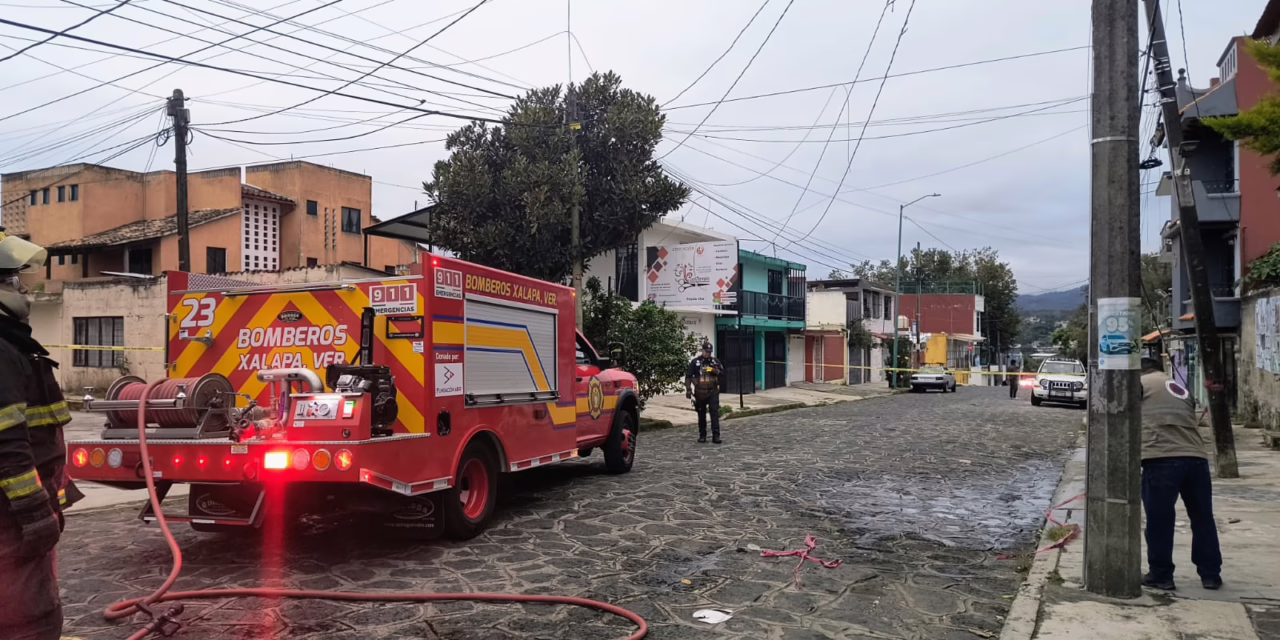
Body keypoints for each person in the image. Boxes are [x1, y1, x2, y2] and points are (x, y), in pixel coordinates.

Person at [0, 228, 82, 639]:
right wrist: (34, 514)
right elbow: (7, 442)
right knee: (27, 616)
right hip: (10, 517)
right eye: (10, 280)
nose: (20, 289)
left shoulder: (12, 344)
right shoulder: (1, 349)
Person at [1139, 356, 1223, 591]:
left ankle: (1161, 574)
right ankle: (1211, 575)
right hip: (1196, 458)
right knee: (1203, 518)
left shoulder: (1140, 384)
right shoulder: (1180, 388)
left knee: (1160, 520)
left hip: (1161, 457)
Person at [685, 341, 724, 444]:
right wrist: (688, 389)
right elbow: (688, 376)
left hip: (713, 392)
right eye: (706, 351)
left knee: (714, 414)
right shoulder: (695, 362)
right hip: (700, 392)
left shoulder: (715, 361)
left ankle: (716, 436)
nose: (708, 354)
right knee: (701, 414)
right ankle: (702, 435)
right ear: (702, 350)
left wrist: (716, 371)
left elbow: (723, 374)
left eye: (710, 352)